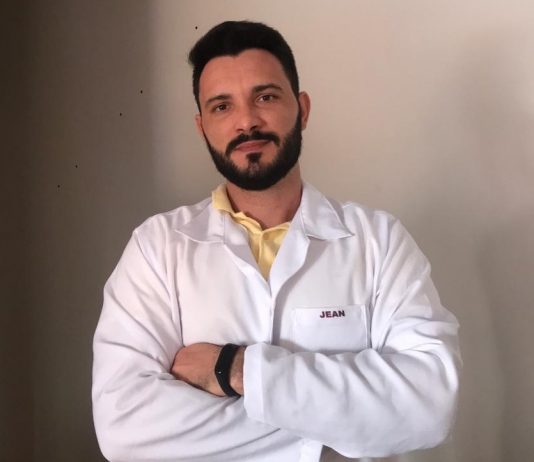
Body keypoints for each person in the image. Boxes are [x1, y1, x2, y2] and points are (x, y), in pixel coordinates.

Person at [92, 20, 461, 462]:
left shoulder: (378, 242)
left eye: (265, 97)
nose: (246, 121)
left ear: (302, 109)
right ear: (202, 127)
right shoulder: (157, 248)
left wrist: (234, 369)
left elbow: (430, 403)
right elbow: (124, 426)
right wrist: (329, 437)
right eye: (222, 106)